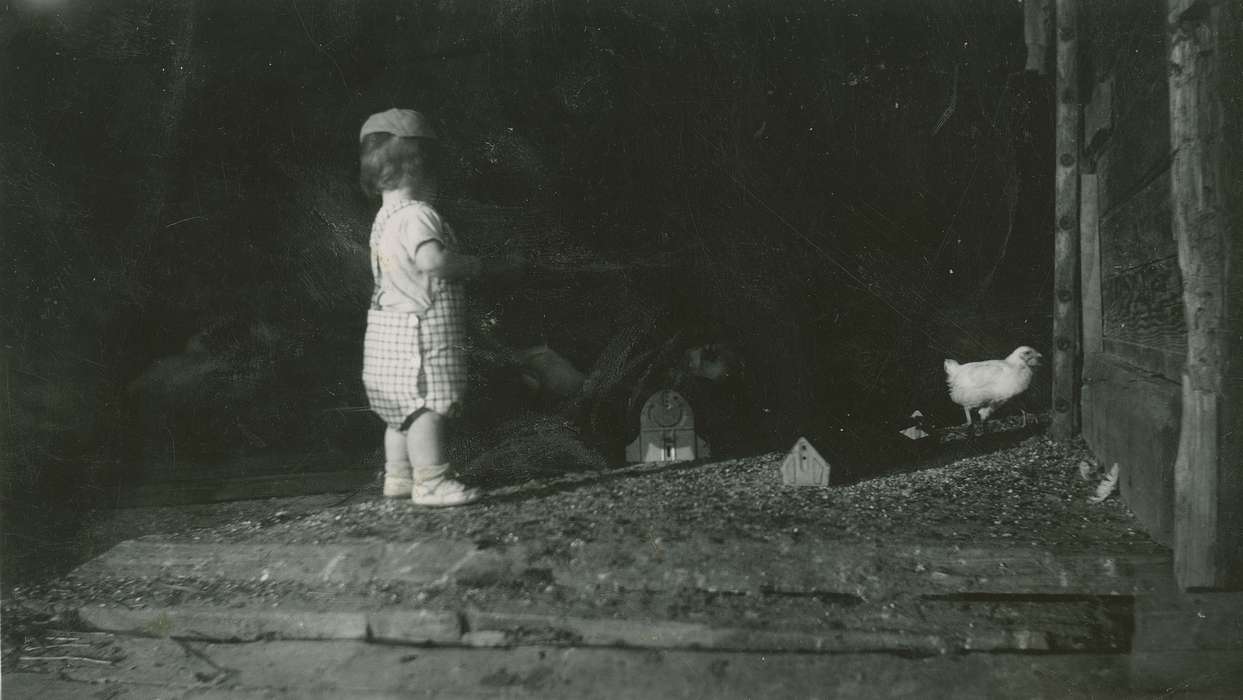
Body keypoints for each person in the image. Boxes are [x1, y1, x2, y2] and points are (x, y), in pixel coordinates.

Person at [359, 108, 513, 506]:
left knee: (400, 414)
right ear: (421, 168)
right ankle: (431, 481)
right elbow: (432, 263)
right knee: (428, 409)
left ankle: (398, 477)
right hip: (422, 335)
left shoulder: (384, 218)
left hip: (387, 331)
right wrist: (471, 265)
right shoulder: (420, 216)